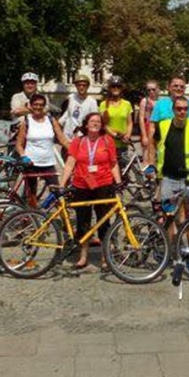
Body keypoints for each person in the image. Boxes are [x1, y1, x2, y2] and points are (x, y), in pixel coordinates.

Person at [58, 112, 122, 270]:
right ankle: (83, 255)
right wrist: (62, 184)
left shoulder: (107, 140)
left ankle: (105, 256)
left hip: (103, 184)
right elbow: (70, 164)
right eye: (92, 121)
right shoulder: (78, 141)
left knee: (103, 220)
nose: (95, 123)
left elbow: (113, 163)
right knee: (83, 220)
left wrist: (118, 183)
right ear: (86, 125)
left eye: (98, 121)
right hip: (81, 185)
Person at [146, 96, 189, 234]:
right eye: (179, 109)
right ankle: (169, 246)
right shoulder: (163, 125)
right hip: (168, 178)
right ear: (173, 110)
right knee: (168, 218)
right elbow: (152, 144)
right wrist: (151, 164)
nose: (182, 112)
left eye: (185, 109)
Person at [15, 93, 69, 206]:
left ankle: (60, 214)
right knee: (31, 197)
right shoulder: (27, 121)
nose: (38, 107)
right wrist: (23, 156)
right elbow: (19, 144)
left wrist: (76, 151)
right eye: (35, 104)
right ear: (31, 105)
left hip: (48, 163)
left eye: (41, 105)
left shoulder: (51, 120)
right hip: (31, 163)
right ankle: (32, 215)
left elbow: (62, 139)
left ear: (44, 106)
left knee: (57, 194)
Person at [99, 76, 133, 169]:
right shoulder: (103, 104)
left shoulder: (127, 104)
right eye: (113, 86)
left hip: (123, 142)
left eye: (118, 86)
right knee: (109, 169)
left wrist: (128, 135)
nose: (116, 89)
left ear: (121, 88)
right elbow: (104, 124)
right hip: (109, 142)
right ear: (109, 88)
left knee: (123, 169)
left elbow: (130, 122)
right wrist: (114, 135)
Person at [59, 74, 98, 141]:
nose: (81, 87)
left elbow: (94, 121)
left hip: (83, 137)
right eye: (79, 85)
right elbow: (66, 114)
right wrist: (58, 124)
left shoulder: (92, 102)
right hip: (67, 136)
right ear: (76, 86)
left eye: (84, 85)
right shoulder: (71, 98)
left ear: (87, 86)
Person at [138, 80, 160, 153]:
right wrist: (144, 135)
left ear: (158, 89)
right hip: (148, 127)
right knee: (147, 153)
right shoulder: (145, 101)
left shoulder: (160, 101)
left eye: (153, 89)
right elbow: (141, 119)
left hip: (158, 128)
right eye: (149, 90)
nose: (151, 91)